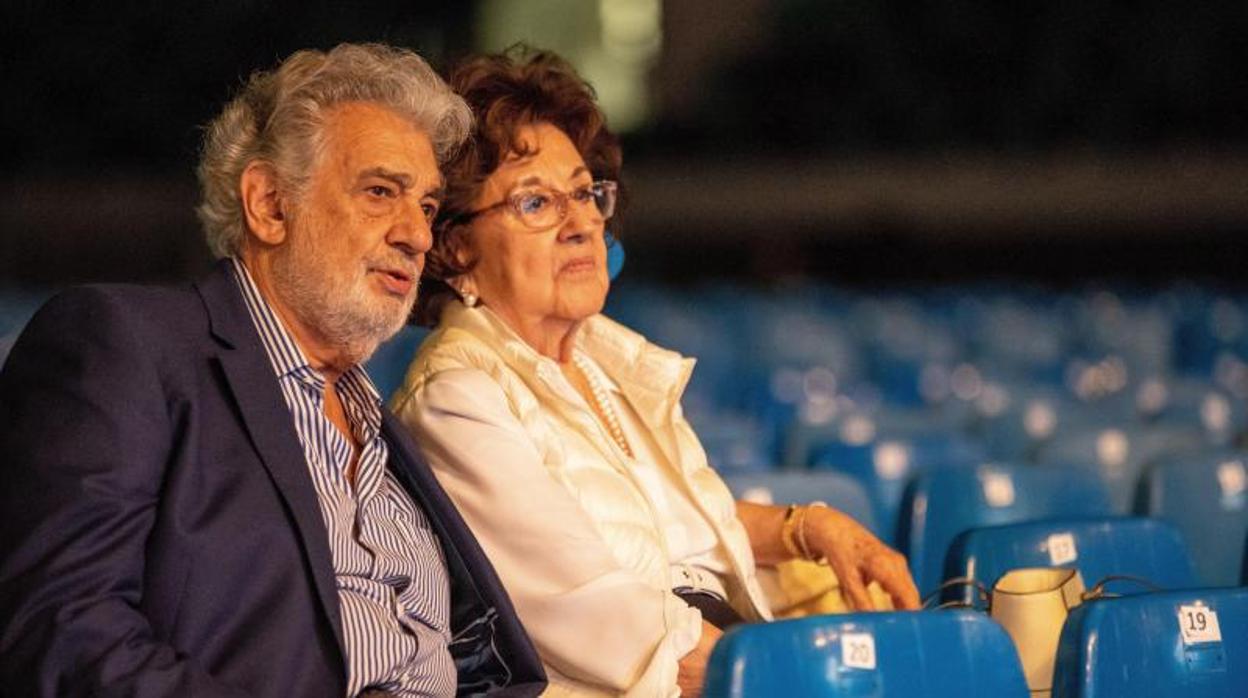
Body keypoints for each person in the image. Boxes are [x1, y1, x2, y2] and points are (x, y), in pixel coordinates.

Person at [0, 43, 545, 698]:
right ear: (268, 204)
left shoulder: (382, 424)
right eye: (380, 192)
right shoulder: (125, 344)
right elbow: (60, 630)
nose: (417, 235)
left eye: (427, 206)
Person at [390, 48, 921, 697]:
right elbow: (615, 621)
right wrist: (802, 676)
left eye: (586, 193)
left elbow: (670, 527)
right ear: (455, 244)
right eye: (536, 203)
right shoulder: (456, 400)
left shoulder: (604, 364)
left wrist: (807, 527)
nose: (582, 221)